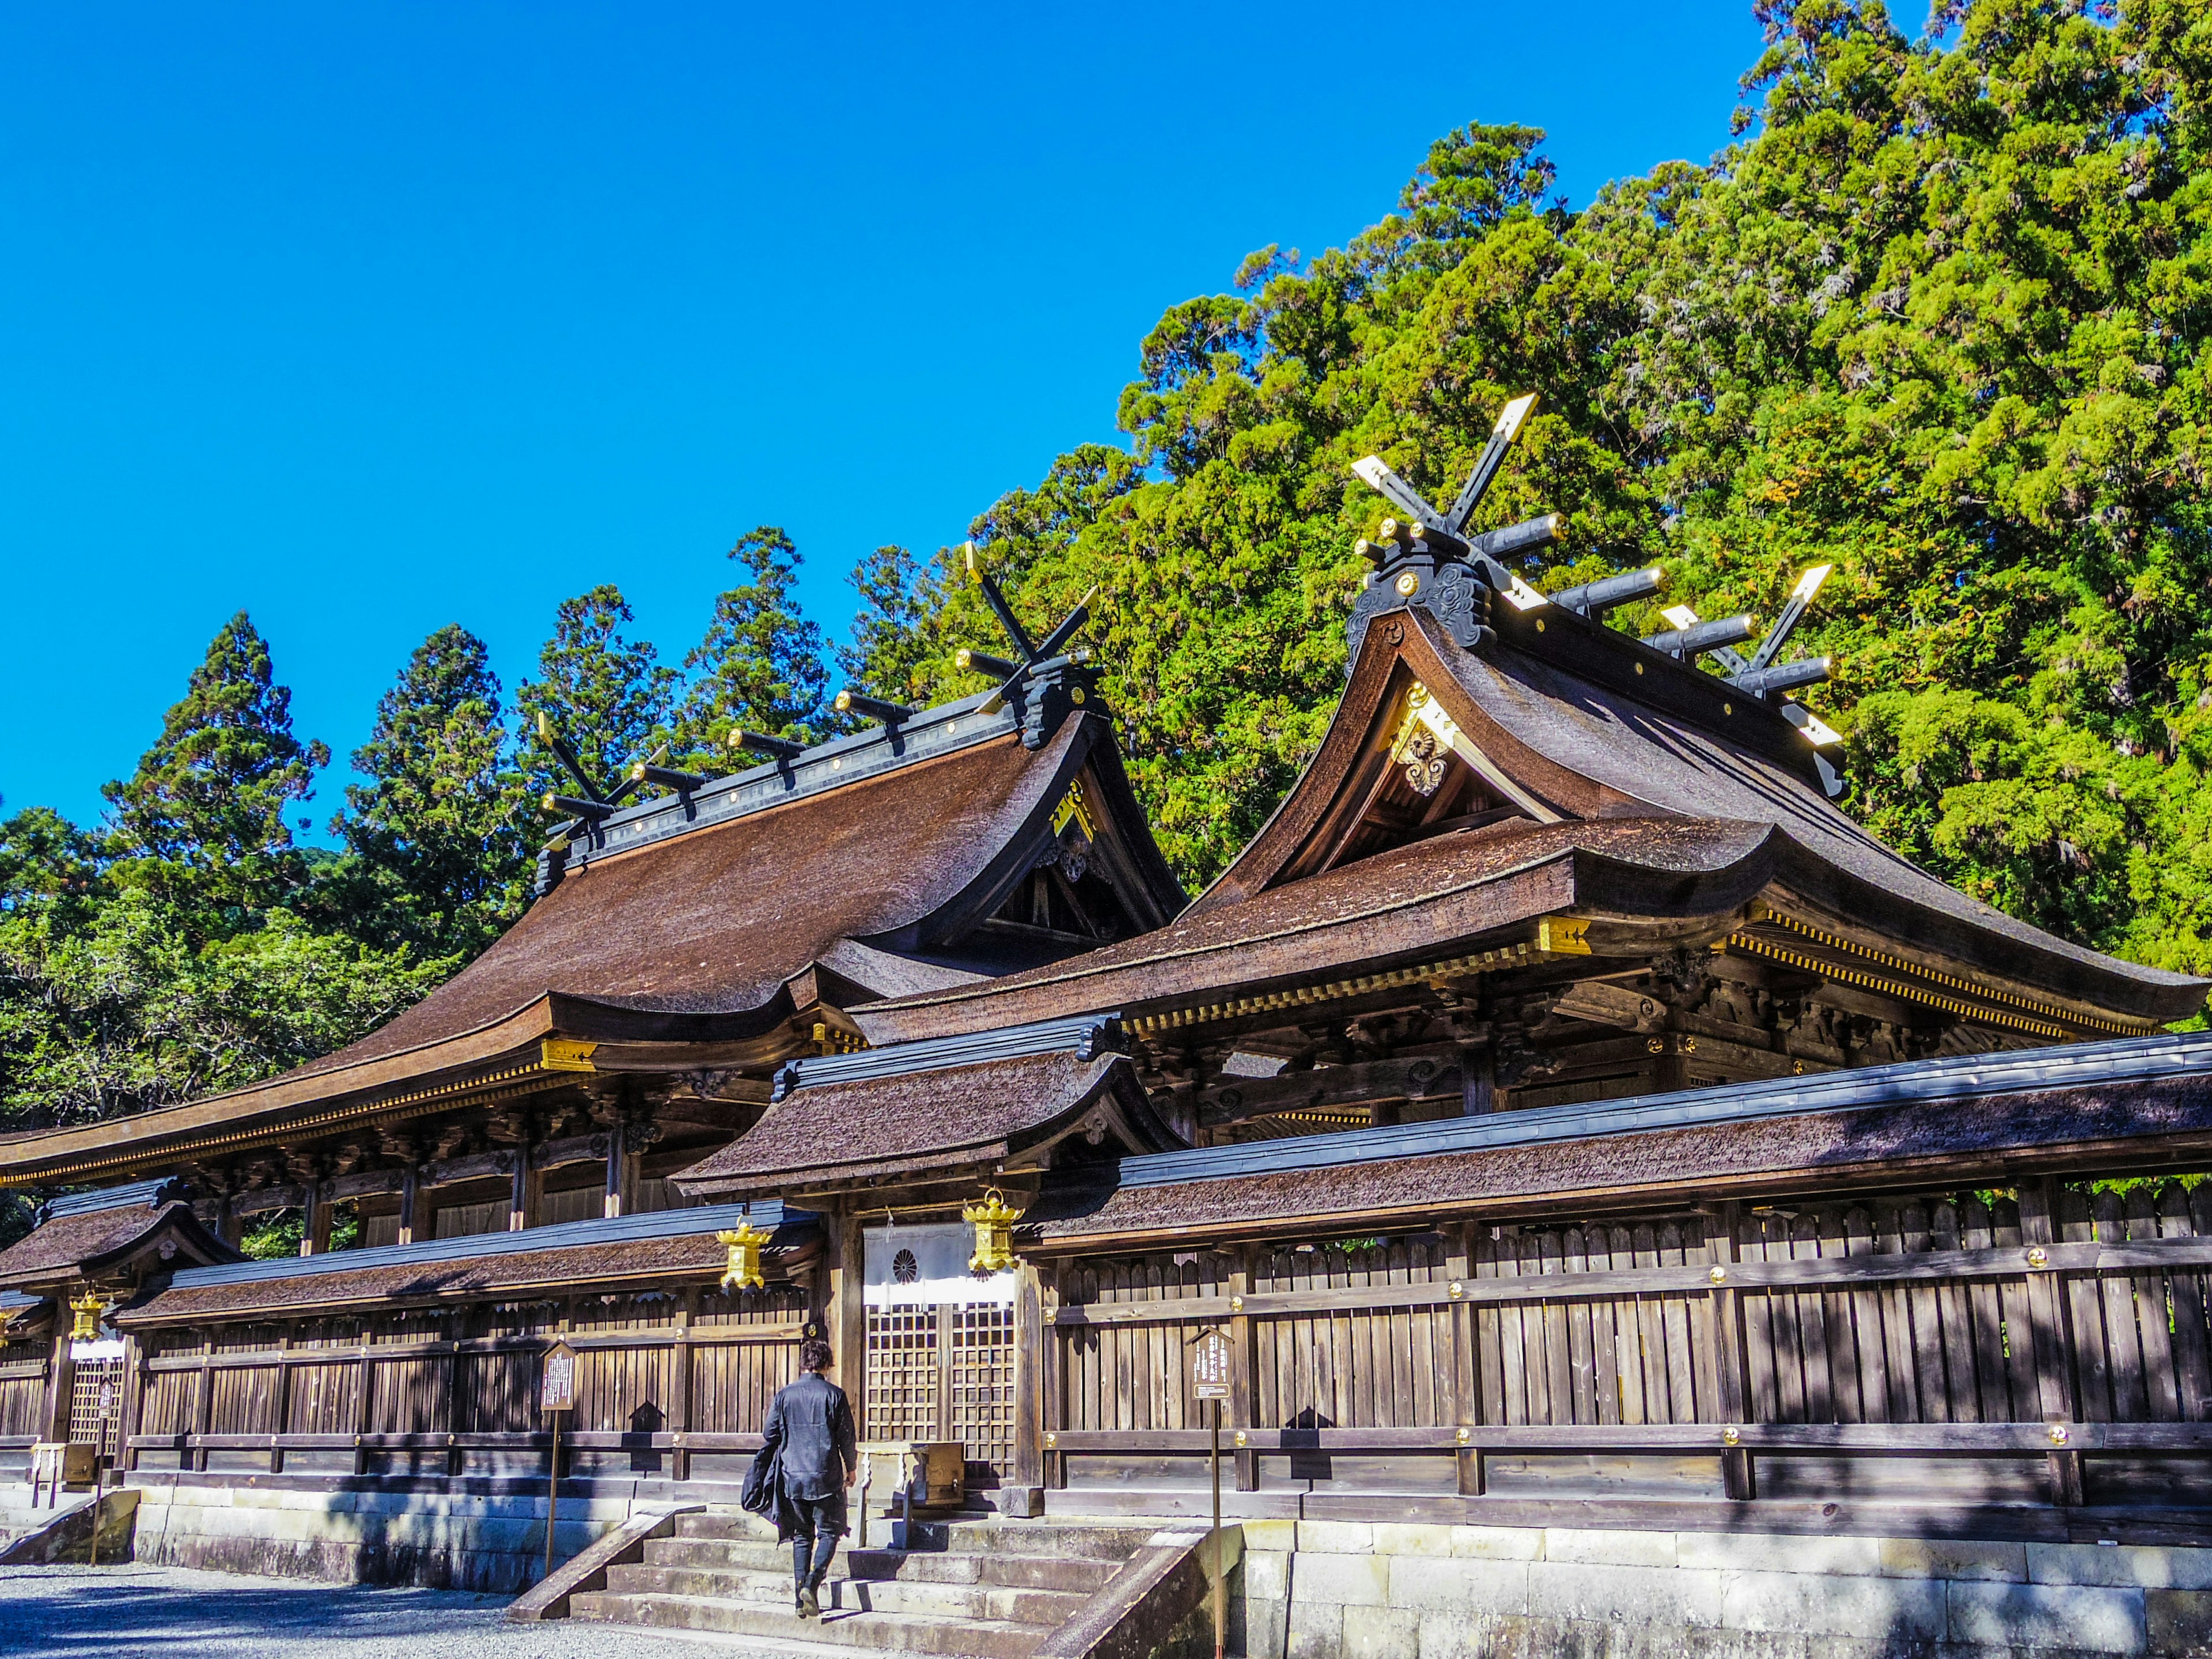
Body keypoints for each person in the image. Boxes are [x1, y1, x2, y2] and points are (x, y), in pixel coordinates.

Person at [759, 1336, 857, 1619]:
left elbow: (770, 1434)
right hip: (826, 1474)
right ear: (827, 1364)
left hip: (792, 1475)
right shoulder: (834, 1395)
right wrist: (851, 1468)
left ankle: (799, 1601)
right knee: (830, 1531)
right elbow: (846, 1438)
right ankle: (813, 1584)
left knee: (802, 1536)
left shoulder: (784, 1395)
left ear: (802, 1364)